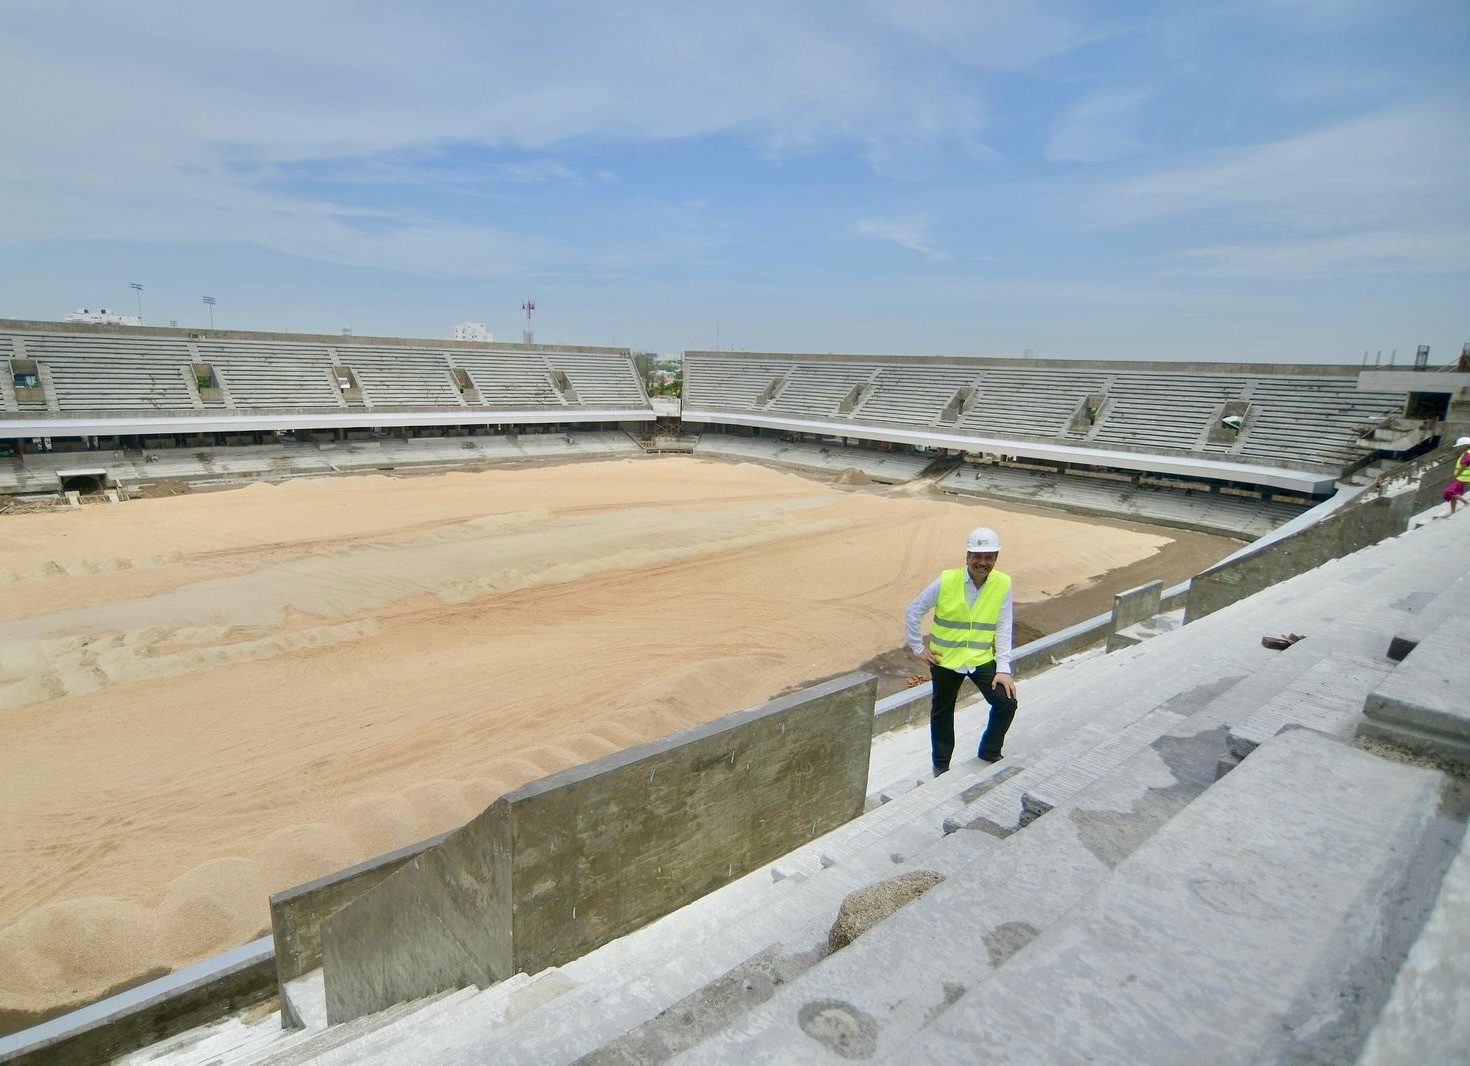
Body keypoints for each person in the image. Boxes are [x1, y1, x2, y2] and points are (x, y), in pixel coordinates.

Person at [905, 526, 1019, 775]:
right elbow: (913, 611)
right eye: (977, 556)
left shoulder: (1003, 583)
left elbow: (1003, 626)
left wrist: (1004, 668)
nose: (982, 562)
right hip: (945, 660)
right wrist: (918, 648)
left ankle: (989, 751)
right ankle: (941, 766)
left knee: (1006, 704)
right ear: (967, 556)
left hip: (981, 659)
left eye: (989, 557)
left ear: (996, 558)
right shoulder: (946, 580)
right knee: (942, 713)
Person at [1444, 436, 1470, 517]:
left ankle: (1466, 503)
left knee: (1448, 491)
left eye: (1459, 446)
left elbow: (1464, 466)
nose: (1458, 447)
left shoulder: (1467, 454)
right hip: (1462, 477)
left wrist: (1457, 475)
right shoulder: (1467, 453)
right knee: (1454, 494)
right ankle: (1453, 511)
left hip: (1462, 477)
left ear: (1464, 445)